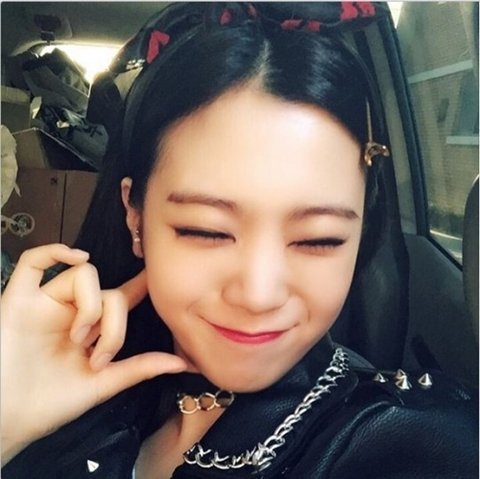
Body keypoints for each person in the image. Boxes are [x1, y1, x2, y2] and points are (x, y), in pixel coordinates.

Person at [1, 3, 477, 478]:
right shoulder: (70, 380)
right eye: (205, 230)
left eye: (319, 240)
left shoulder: (408, 445)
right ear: (135, 216)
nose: (258, 295)